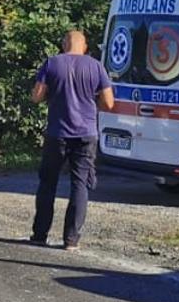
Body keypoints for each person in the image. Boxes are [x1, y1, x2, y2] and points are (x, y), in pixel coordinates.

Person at [29, 29, 115, 251]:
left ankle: (40, 234)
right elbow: (109, 103)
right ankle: (71, 239)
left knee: (48, 183)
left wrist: (51, 95)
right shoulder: (96, 67)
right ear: (84, 46)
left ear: (63, 44)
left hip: (57, 133)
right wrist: (91, 102)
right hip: (86, 133)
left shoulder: (52, 63)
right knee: (79, 185)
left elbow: (36, 96)